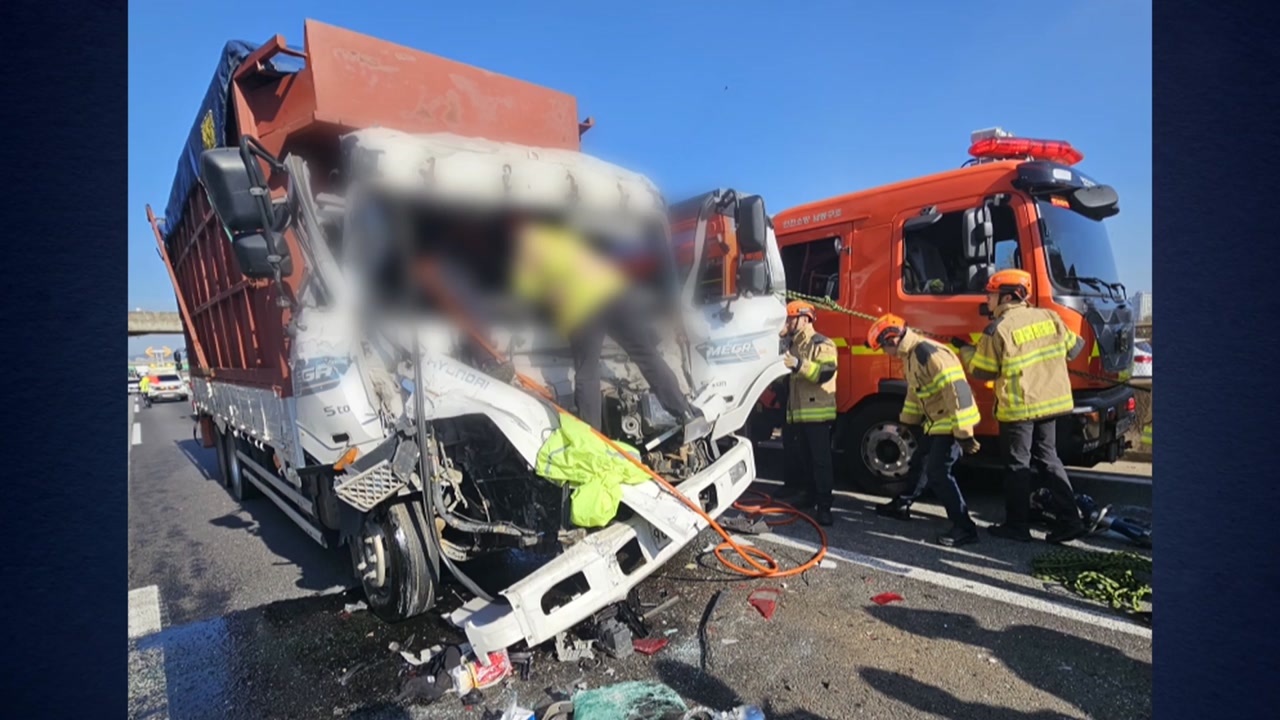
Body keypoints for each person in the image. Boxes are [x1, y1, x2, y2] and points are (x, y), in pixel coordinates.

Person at [510, 218, 708, 441]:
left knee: (587, 371)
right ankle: (684, 412)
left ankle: (592, 438)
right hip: (616, 296)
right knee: (646, 355)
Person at [968, 269, 1087, 544]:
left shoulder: (997, 329)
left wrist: (967, 352)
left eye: (991, 295)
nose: (987, 299)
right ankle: (1070, 521)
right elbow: (1075, 348)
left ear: (1007, 297)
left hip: (1019, 407)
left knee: (1017, 465)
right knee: (1048, 458)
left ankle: (1017, 526)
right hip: (1053, 402)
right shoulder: (1050, 316)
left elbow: (983, 371)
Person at [867, 314, 983, 547]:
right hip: (938, 421)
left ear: (892, 340)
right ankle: (902, 505)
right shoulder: (911, 356)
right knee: (920, 462)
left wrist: (963, 433)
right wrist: (907, 421)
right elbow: (915, 392)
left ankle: (965, 527)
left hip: (952, 421)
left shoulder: (927, 354)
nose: (885, 353)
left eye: (883, 348)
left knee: (939, 473)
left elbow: (956, 391)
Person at [772, 301, 838, 526]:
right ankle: (810, 497)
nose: (788, 322)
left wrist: (799, 364)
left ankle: (825, 506)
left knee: (821, 462)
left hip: (818, 415)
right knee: (806, 459)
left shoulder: (821, 343)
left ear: (804, 318)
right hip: (798, 414)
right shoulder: (793, 345)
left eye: (790, 319)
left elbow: (826, 372)